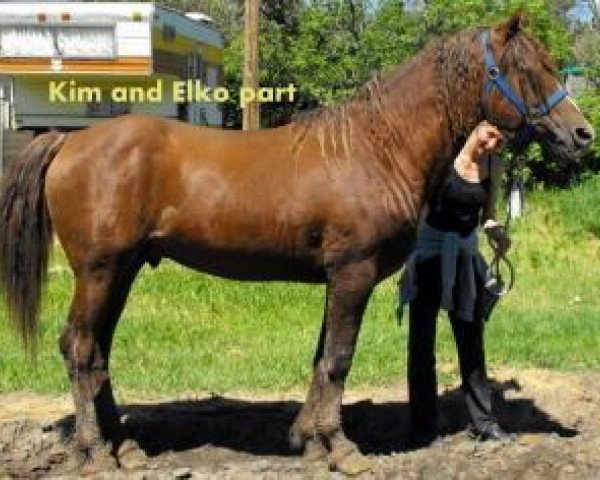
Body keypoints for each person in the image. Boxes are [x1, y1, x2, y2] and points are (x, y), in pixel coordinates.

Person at [399, 121, 512, 446]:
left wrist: (497, 233)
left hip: (465, 258)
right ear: (477, 127)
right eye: (490, 135)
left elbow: (487, 214)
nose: (492, 144)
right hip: (429, 256)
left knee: (471, 342)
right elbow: (416, 204)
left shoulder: (493, 165)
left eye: (499, 141)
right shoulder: (442, 156)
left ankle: (483, 423)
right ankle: (423, 427)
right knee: (421, 345)